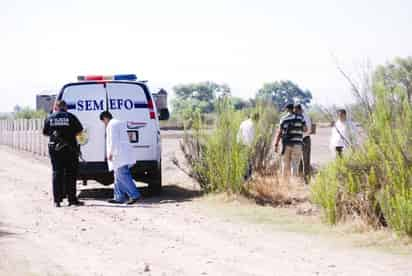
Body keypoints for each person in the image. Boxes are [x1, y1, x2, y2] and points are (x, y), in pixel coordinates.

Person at [43, 100, 84, 207]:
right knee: (71, 174)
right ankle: (72, 200)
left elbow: (45, 132)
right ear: (65, 107)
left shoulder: (50, 117)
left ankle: (57, 200)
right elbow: (80, 131)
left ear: (56, 107)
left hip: (55, 150)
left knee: (57, 173)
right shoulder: (71, 117)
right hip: (70, 149)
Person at [99, 111, 141, 204]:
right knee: (117, 177)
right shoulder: (118, 122)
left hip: (119, 154)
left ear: (105, 118)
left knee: (123, 175)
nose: (104, 124)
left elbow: (113, 139)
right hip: (122, 153)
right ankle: (119, 197)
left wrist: (110, 153)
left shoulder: (111, 125)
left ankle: (134, 195)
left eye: (103, 122)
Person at [274, 103, 307, 179]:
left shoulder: (283, 119)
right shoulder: (300, 118)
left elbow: (279, 132)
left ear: (287, 109)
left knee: (285, 164)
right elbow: (306, 129)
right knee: (295, 165)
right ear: (293, 109)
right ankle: (294, 184)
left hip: (286, 145)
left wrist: (276, 144)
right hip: (297, 144)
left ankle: (285, 183)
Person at [237, 112, 259, 179]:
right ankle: (247, 177)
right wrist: (252, 147)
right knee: (248, 161)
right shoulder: (253, 125)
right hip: (247, 145)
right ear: (256, 118)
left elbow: (238, 134)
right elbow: (251, 137)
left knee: (243, 161)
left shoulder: (243, 122)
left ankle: (243, 176)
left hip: (240, 143)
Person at [295, 104, 312, 179]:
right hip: (298, 140)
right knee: (298, 160)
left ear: (299, 110)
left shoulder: (305, 117)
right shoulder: (297, 117)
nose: (294, 112)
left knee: (306, 160)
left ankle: (306, 179)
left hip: (305, 139)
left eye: (296, 110)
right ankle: (300, 178)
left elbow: (306, 130)